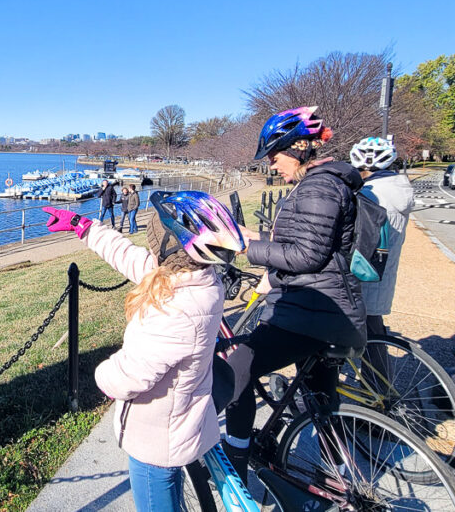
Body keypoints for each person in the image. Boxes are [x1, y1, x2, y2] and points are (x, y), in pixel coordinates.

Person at [43, 190, 246, 511]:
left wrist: (101, 373)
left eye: (154, 240)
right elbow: (131, 257)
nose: (149, 247)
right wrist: (84, 227)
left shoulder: (178, 310)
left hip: (157, 439)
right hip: (176, 423)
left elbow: (130, 376)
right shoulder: (195, 279)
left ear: (170, 249)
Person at [223, 106, 367, 479]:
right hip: (327, 311)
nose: (271, 164)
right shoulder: (323, 183)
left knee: (238, 366)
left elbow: (305, 255)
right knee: (321, 400)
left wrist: (243, 249)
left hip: (311, 312)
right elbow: (303, 241)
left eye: (275, 154)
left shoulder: (319, 185)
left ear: (301, 147)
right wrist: (247, 236)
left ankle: (235, 463)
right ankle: (343, 478)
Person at [350, 136, 414, 366]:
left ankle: (378, 395)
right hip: (381, 271)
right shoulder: (395, 188)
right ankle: (378, 392)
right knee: (373, 332)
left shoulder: (372, 194)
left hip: (367, 271)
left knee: (369, 335)